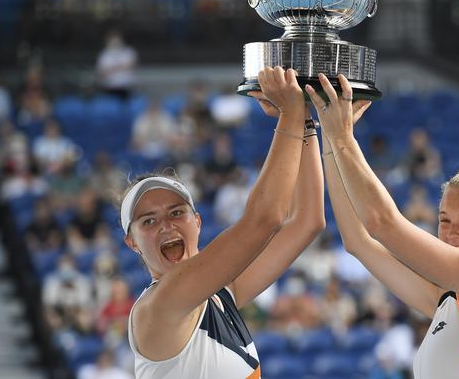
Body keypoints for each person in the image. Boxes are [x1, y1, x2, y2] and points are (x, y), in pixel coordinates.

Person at [306, 73, 459, 378]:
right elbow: (358, 241)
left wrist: (343, 139)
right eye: (444, 220)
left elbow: (381, 223)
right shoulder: (446, 301)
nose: (452, 232)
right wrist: (329, 136)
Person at [123, 67, 325, 378]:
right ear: (132, 242)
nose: (166, 225)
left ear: (198, 222)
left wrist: (305, 120)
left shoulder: (219, 296)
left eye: (177, 212)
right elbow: (264, 219)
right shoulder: (159, 304)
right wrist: (290, 113)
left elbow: (308, 221)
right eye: (148, 221)